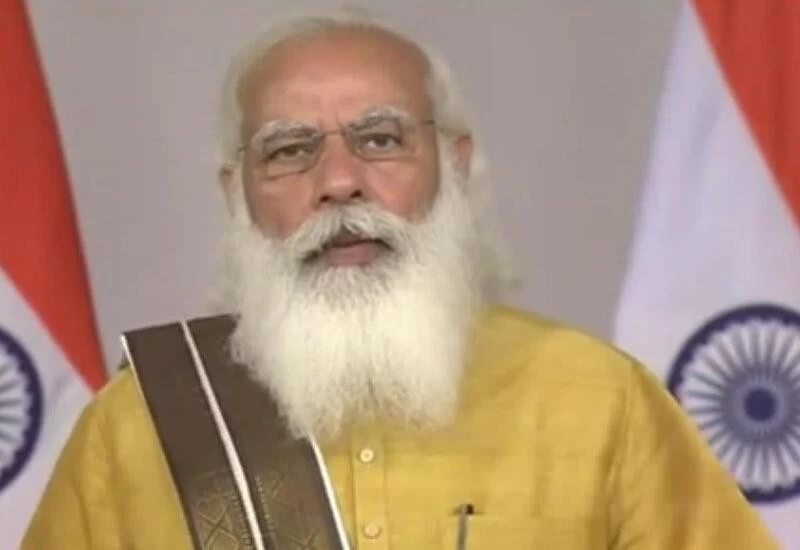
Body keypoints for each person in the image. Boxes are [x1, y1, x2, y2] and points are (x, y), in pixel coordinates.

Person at [22, 7, 778, 550]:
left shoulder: (600, 401)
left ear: (456, 164)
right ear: (236, 194)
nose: (339, 182)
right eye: (288, 151)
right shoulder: (138, 427)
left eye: (381, 139)